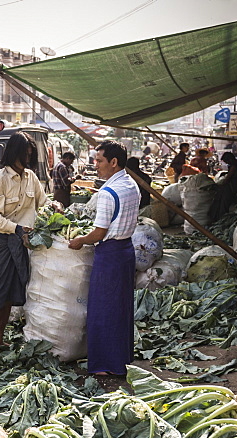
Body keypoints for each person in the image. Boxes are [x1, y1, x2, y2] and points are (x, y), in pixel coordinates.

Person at [0, 131, 58, 363]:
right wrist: (16, 228)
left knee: (9, 296)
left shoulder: (31, 177)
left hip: (21, 243)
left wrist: (55, 206)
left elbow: (42, 203)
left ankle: (0, 339)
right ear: (14, 153)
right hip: (2, 242)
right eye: (26, 153)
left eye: (31, 153)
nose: (28, 157)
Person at [68, 141, 140, 377]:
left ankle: (104, 366)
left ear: (114, 162)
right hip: (126, 251)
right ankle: (122, 359)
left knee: (103, 309)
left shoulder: (108, 193)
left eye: (99, 160)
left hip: (109, 254)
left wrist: (80, 240)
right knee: (121, 307)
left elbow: (99, 233)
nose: (95, 165)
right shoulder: (131, 185)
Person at [209, 151, 237, 221]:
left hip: (236, 187)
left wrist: (219, 186)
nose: (226, 163)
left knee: (222, 198)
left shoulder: (234, 166)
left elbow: (228, 178)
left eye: (226, 161)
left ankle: (221, 216)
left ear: (230, 159)